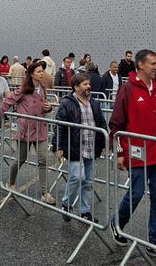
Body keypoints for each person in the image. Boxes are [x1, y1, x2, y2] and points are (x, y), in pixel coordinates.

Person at [109, 49, 156, 259]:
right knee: (135, 194)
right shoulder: (127, 89)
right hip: (137, 153)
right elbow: (116, 124)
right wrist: (119, 152)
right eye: (154, 63)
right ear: (141, 65)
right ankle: (117, 223)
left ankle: (154, 243)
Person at [0, 61, 55, 203]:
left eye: (43, 71)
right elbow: (8, 101)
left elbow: (44, 106)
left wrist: (48, 108)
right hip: (24, 130)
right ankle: (11, 183)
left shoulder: (42, 88)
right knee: (20, 159)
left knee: (43, 160)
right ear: (31, 74)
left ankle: (45, 193)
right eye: (39, 72)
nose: (42, 74)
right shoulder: (23, 89)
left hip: (40, 129)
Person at [54, 73, 108, 221]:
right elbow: (59, 125)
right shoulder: (67, 102)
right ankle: (67, 204)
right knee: (77, 177)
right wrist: (58, 146)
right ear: (76, 87)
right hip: (74, 146)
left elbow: (102, 123)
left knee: (88, 182)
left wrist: (103, 143)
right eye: (85, 84)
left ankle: (85, 211)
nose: (89, 86)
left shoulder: (94, 102)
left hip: (91, 146)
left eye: (88, 84)